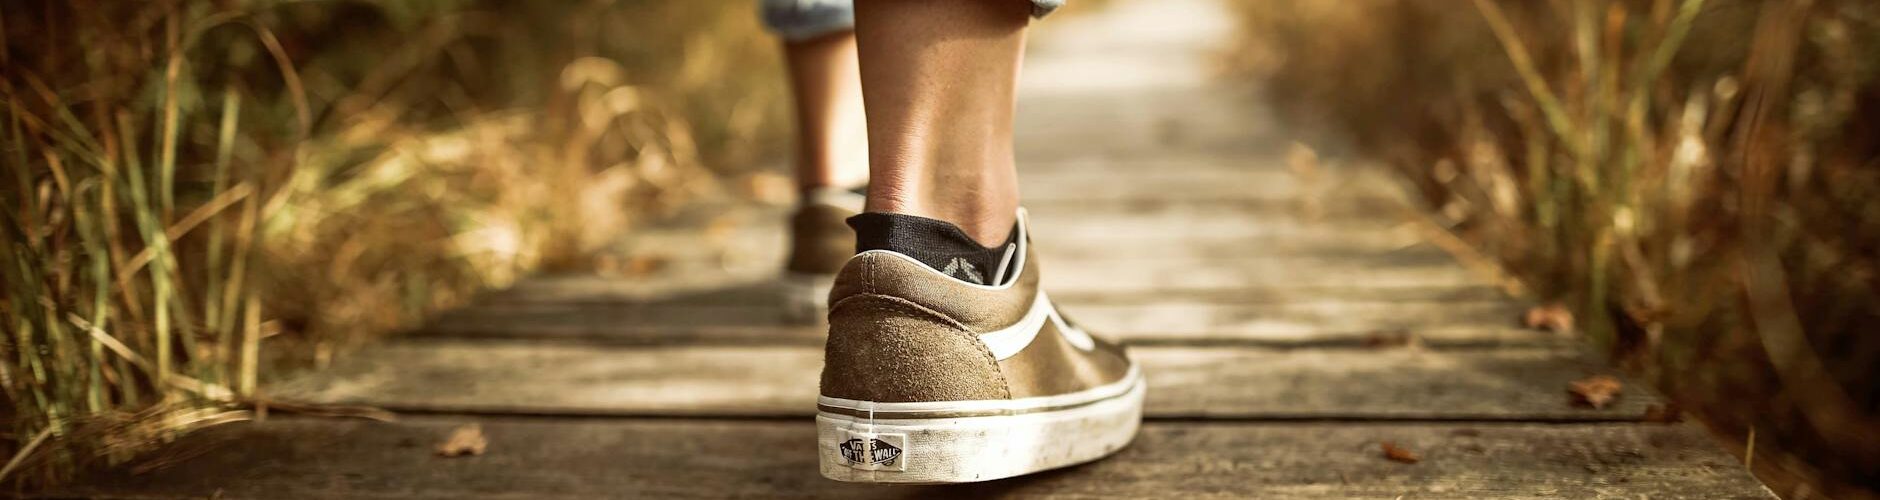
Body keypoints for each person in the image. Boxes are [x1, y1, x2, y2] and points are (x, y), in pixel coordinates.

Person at [763, 0, 1143, 483]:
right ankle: (952, 242)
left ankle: (846, 191)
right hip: (964, 306)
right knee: (931, 213)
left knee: (851, 168)